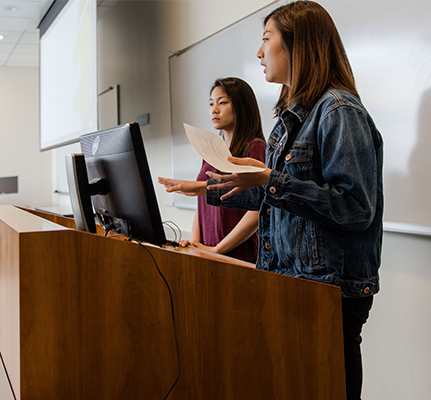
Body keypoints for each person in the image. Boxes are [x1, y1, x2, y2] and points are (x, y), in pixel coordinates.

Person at [164, 3, 383, 399]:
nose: (260, 53)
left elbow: (354, 207)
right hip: (290, 280)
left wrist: (272, 179)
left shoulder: (339, 110)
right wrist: (208, 188)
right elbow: (277, 196)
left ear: (298, 46)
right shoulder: (291, 118)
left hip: (328, 288)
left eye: (266, 40)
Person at [159, 77, 266, 262]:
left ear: (241, 106)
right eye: (211, 104)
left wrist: (218, 249)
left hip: (238, 255)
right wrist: (194, 242)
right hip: (208, 252)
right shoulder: (210, 151)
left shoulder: (254, 147)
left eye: (222, 102)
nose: (214, 110)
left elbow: (258, 209)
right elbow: (202, 201)